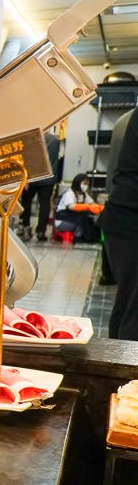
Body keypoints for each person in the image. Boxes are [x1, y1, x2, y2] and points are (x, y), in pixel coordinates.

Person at [99, 110, 138, 339]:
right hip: (130, 219)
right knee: (133, 313)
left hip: (121, 218)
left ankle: (115, 369)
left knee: (126, 305)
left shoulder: (127, 119)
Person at [17, 131, 59, 241]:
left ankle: (26, 227)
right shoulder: (55, 140)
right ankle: (41, 231)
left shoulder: (31, 139)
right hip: (49, 179)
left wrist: (26, 179)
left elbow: (27, 160)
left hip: (32, 179)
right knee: (44, 205)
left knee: (26, 203)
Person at [53, 173, 102, 243]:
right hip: (63, 221)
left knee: (90, 220)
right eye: (84, 184)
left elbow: (92, 204)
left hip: (73, 219)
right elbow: (71, 207)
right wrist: (87, 206)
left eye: (87, 184)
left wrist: (99, 208)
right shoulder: (69, 193)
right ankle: (79, 238)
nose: (86, 186)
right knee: (82, 221)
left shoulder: (84, 195)